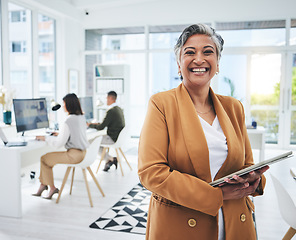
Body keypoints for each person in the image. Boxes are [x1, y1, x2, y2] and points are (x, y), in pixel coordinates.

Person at [138, 23, 269, 240]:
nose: (199, 59)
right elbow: (151, 172)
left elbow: (247, 163)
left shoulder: (233, 107)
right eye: (190, 52)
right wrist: (216, 195)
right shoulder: (161, 104)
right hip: (181, 225)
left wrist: (254, 179)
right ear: (179, 64)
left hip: (235, 223)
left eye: (208, 52)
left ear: (217, 64)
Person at [33, 93, 89, 199]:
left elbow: (58, 144)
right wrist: (61, 133)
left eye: (64, 103)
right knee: (47, 159)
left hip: (73, 155)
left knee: (44, 159)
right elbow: (76, 132)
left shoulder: (68, 120)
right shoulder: (81, 117)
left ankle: (51, 187)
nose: (63, 106)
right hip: (83, 153)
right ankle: (43, 185)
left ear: (68, 105)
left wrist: (45, 138)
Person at [87, 91, 125, 171]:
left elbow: (101, 127)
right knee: (97, 141)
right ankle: (109, 160)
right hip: (118, 137)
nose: (106, 100)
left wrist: (89, 125)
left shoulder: (111, 111)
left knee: (91, 142)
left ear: (111, 98)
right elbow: (105, 124)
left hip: (112, 137)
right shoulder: (119, 109)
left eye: (107, 98)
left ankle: (110, 159)